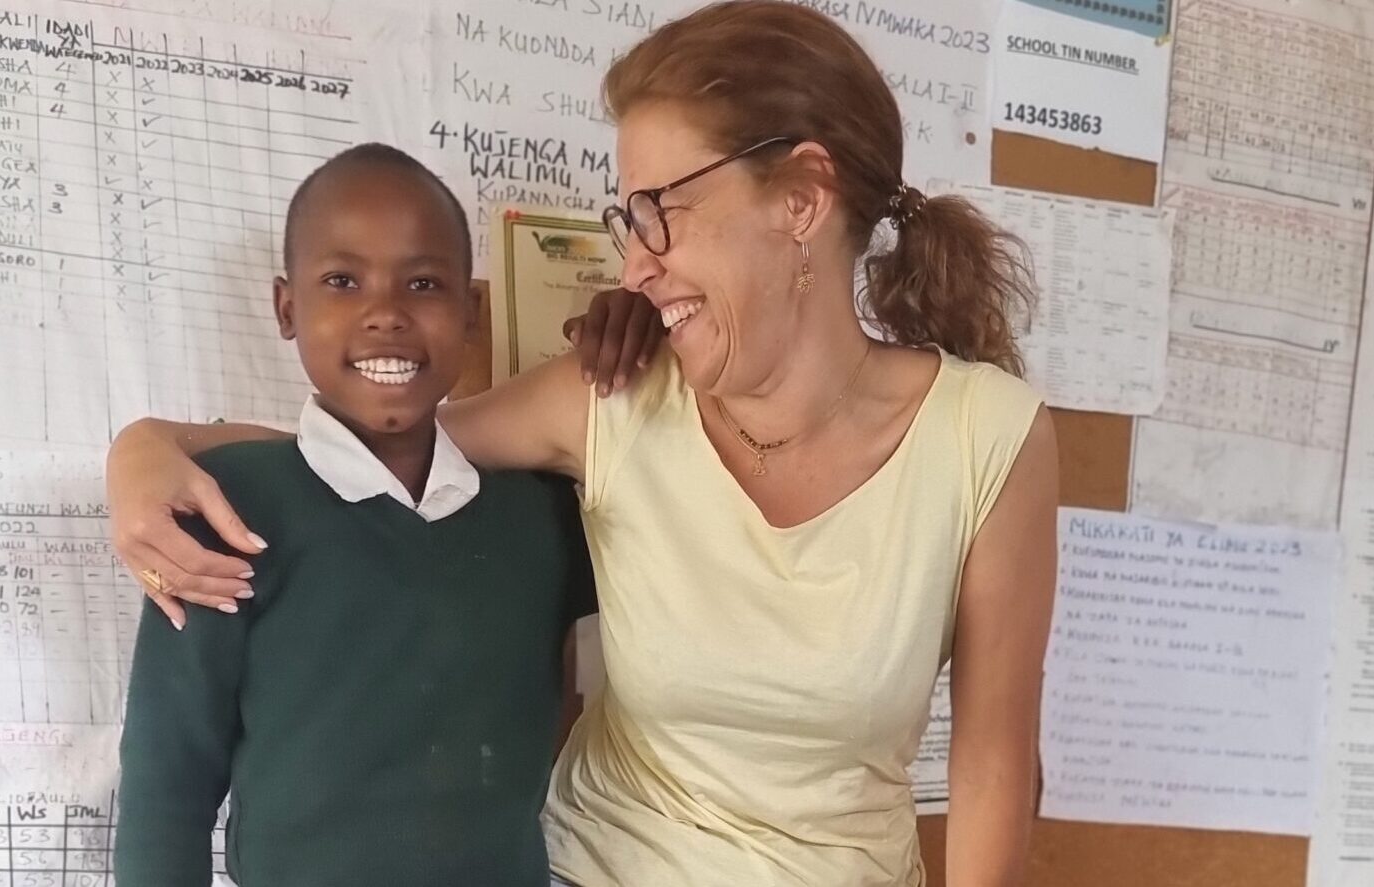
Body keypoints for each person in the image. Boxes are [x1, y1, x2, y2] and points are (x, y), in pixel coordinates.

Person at [107, 3, 1059, 885]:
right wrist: (150, 447)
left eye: (659, 210)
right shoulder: (606, 400)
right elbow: (378, 455)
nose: (633, 262)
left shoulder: (989, 439)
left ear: (801, 198)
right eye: (625, 219)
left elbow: (988, 764)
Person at [114, 143, 597, 887]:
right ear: (287, 307)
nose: (385, 313)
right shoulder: (225, 509)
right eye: (342, 280)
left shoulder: (541, 516)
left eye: (424, 282)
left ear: (469, 312)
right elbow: (166, 785)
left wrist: (641, 320)